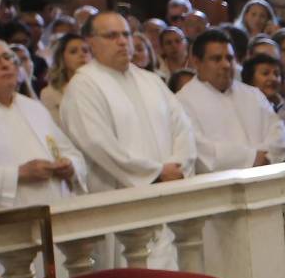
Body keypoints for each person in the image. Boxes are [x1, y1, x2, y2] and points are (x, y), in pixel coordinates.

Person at [58, 11, 198, 191]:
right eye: (111, 36)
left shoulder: (151, 80)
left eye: (126, 34)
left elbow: (182, 127)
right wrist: (156, 173)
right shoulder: (83, 86)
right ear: (90, 42)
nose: (122, 41)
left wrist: (179, 165)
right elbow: (96, 143)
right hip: (119, 197)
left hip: (171, 185)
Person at [0, 38, 83, 207]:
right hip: (7, 223)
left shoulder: (33, 107)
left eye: (8, 58)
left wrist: (69, 165)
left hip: (60, 211)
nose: (5, 65)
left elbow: (71, 153)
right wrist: (18, 174)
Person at [177, 30, 285, 171]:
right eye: (217, 59)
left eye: (229, 58)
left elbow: (278, 131)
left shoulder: (252, 94)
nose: (226, 65)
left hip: (265, 178)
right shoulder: (182, 102)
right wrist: (252, 158)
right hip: (219, 187)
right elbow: (197, 149)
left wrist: (268, 156)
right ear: (197, 62)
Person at [41, 33, 89, 116]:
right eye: (73, 52)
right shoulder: (50, 93)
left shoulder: (102, 87)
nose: (82, 55)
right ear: (62, 58)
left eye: (85, 51)